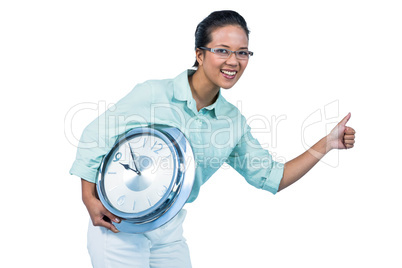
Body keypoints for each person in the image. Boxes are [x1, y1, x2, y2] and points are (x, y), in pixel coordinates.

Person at [70, 10, 356, 268]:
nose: (234, 61)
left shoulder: (232, 123)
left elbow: (271, 176)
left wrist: (328, 143)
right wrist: (87, 196)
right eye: (223, 50)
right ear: (200, 54)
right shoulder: (153, 94)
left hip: (169, 231)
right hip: (118, 226)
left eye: (243, 53)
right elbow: (96, 136)